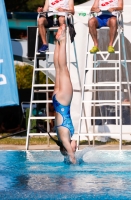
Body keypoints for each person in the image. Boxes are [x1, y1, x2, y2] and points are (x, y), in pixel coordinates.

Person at [52, 24, 76, 164]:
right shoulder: (61, 137)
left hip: (63, 102)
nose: (75, 147)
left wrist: (74, 162)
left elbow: (71, 157)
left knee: (63, 68)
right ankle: (57, 42)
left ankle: (62, 39)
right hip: (57, 101)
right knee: (58, 69)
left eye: (74, 148)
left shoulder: (64, 138)